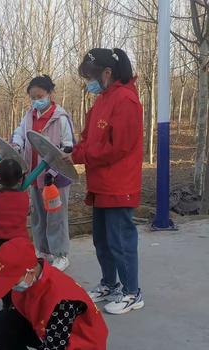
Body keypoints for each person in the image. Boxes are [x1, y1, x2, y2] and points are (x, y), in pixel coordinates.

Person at [72, 48, 144, 315]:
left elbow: (118, 147)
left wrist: (84, 156)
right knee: (101, 240)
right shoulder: (102, 100)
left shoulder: (126, 100)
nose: (88, 83)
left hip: (119, 184)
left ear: (107, 72)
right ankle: (110, 284)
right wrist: (73, 152)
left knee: (120, 241)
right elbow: (89, 138)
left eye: (90, 76)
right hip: (100, 183)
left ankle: (132, 292)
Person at [12, 75, 75, 272]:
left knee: (56, 217)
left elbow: (67, 147)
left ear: (50, 94)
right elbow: (20, 133)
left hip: (55, 178)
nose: (37, 100)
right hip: (34, 176)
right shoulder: (29, 115)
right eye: (33, 97)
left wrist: (53, 172)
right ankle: (43, 251)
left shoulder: (60, 118)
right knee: (38, 216)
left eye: (40, 96)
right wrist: (16, 144)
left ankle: (61, 254)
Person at [0, 159, 30, 310]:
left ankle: (7, 305)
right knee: (22, 275)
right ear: (21, 179)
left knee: (3, 276)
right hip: (20, 245)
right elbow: (30, 211)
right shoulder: (27, 198)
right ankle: (22, 304)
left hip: (0, 245)